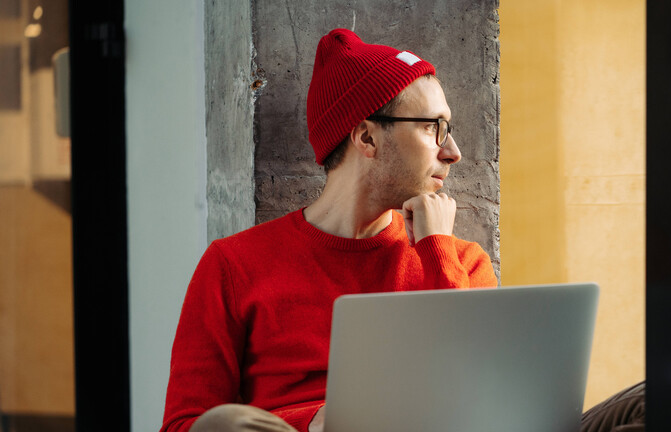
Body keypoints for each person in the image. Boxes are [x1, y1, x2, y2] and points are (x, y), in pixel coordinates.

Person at [161, 29, 645, 432]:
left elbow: (482, 395)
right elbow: (184, 424)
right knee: (222, 425)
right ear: (367, 136)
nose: (452, 151)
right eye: (434, 127)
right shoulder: (235, 265)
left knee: (654, 400)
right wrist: (320, 420)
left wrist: (435, 249)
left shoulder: (458, 259)